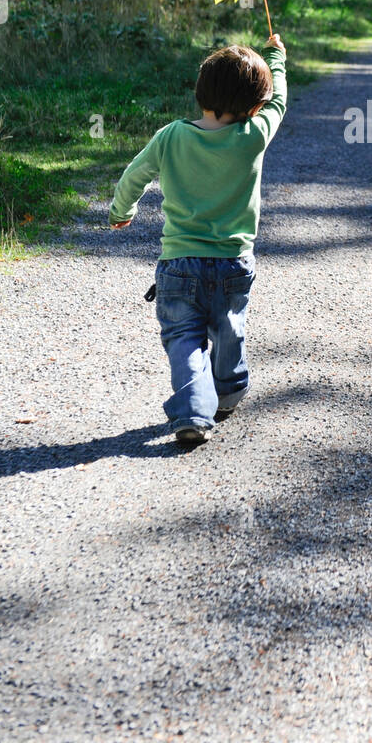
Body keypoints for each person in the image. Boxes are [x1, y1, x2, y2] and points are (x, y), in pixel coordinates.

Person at [108, 33, 287, 445]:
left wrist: (123, 211)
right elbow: (279, 102)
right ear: (255, 106)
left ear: (200, 92)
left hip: (178, 265)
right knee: (229, 329)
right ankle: (228, 391)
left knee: (183, 338)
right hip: (231, 263)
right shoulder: (253, 135)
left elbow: (135, 174)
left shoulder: (171, 135)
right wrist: (276, 57)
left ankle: (191, 411)